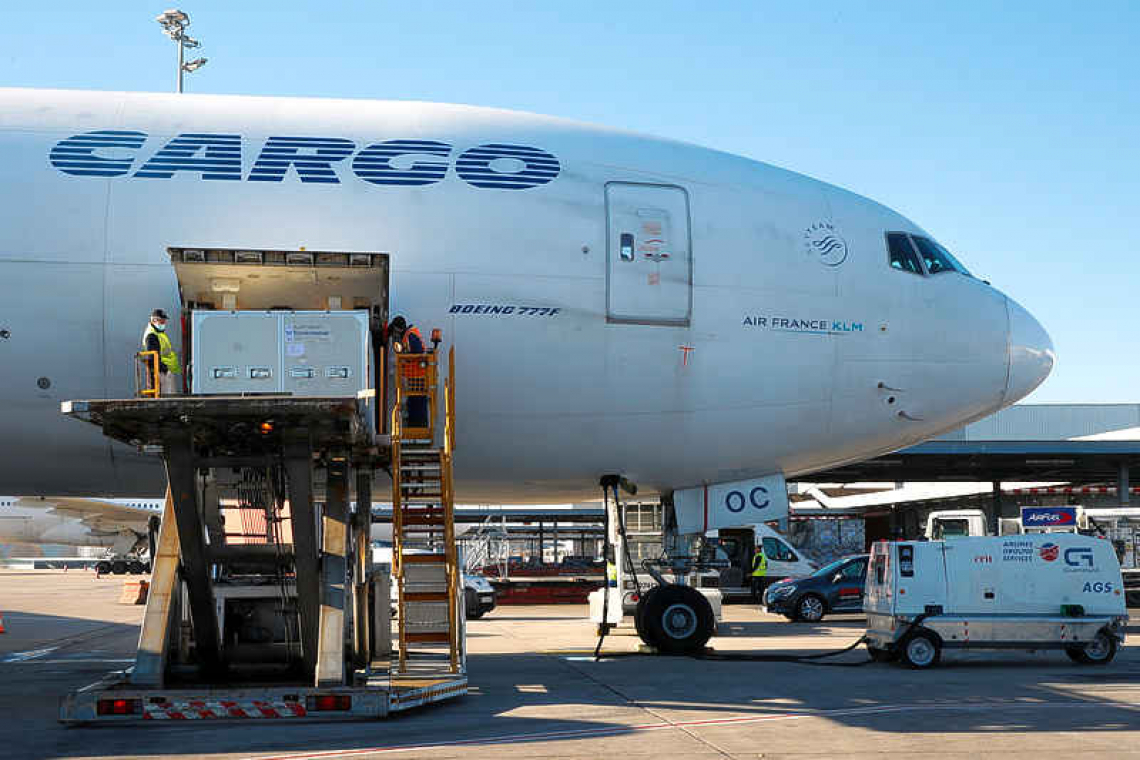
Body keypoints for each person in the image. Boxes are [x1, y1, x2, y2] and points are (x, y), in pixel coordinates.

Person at [388, 315, 428, 429]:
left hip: (417, 376)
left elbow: (418, 353)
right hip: (414, 376)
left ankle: (418, 427)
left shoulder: (410, 335)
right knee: (413, 403)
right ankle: (415, 426)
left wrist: (405, 357)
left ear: (399, 328)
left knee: (417, 403)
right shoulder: (408, 334)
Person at [142, 309, 181, 396]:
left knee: (170, 398)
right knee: (166, 399)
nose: (164, 323)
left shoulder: (158, 333)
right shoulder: (151, 335)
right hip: (161, 373)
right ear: (154, 320)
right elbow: (152, 356)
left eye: (164, 321)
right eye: (161, 321)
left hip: (164, 372)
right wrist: (165, 369)